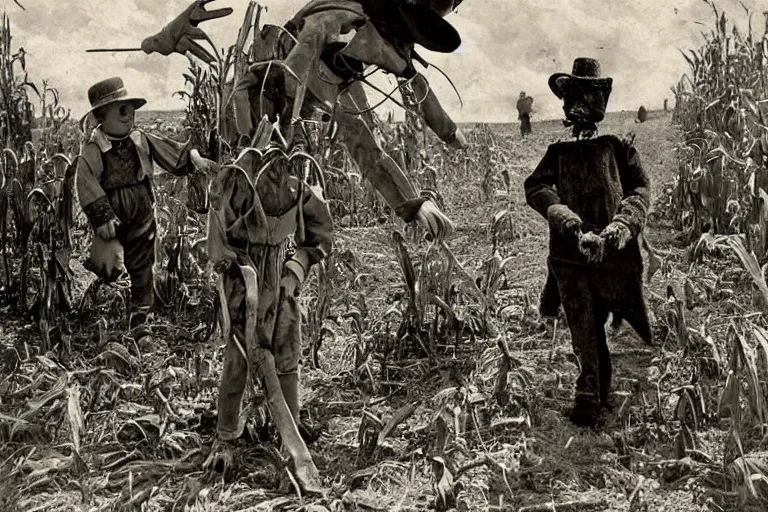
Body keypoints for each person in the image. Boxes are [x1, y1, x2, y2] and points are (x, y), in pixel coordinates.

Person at [523, 58, 653, 427]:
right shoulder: (557, 152)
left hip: (613, 253)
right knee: (581, 320)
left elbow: (641, 190)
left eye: (584, 97)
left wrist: (623, 224)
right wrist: (566, 220)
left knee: (602, 315)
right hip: (570, 250)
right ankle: (589, 392)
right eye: (571, 98)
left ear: (599, 102)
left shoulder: (616, 148)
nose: (576, 106)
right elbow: (535, 187)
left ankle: (601, 384)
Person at [75, 77, 203, 342]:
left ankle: (140, 319)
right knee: (108, 265)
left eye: (130, 108)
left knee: (142, 264)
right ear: (101, 115)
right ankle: (102, 307)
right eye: (120, 109)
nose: (128, 114)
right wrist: (101, 215)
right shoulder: (94, 148)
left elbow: (172, 155)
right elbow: (85, 180)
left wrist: (193, 157)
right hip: (111, 216)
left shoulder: (140, 139)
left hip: (142, 214)